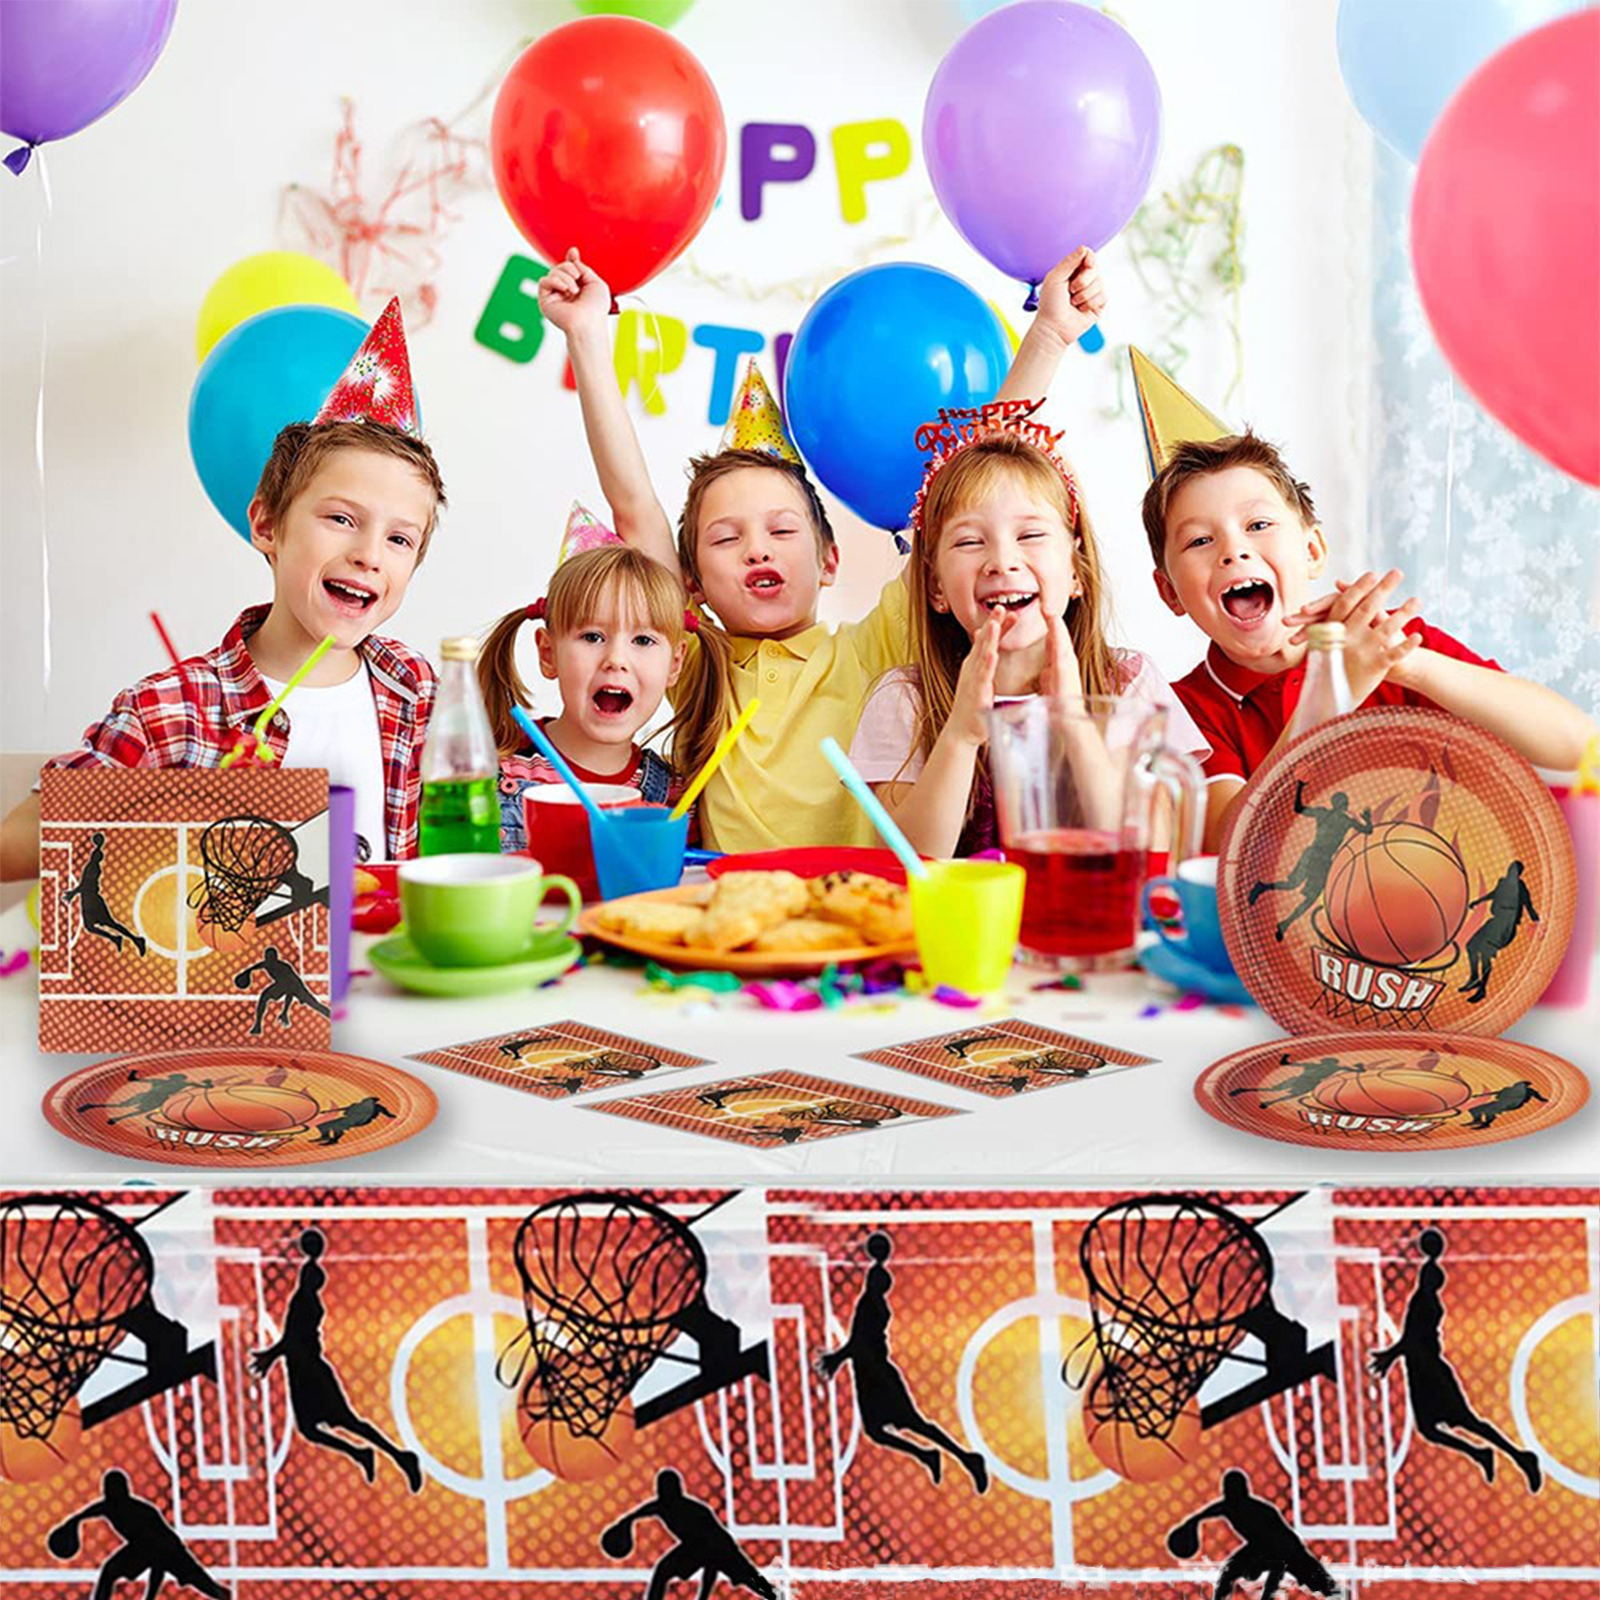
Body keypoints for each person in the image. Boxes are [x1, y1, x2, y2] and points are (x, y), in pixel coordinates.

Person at [537, 246, 1106, 851]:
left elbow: (965, 484)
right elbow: (634, 506)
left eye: (782, 531)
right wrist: (586, 335)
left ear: (829, 561)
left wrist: (1048, 336)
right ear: (691, 583)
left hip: (857, 901)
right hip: (731, 905)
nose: (757, 550)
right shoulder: (696, 665)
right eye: (726, 538)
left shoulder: (873, 651)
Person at [0, 300, 444, 879]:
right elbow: (12, 846)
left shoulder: (416, 689)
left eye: (399, 539)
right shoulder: (174, 709)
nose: (369, 554)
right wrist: (169, 816)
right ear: (267, 525)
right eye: (341, 518)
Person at [1134, 410, 1596, 851]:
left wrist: (1408, 664)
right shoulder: (1184, 709)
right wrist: (1332, 694)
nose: (1233, 551)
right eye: (1200, 540)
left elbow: (1578, 750)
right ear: (1170, 592)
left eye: (1258, 524)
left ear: (1313, 551)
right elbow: (1228, 847)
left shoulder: (1392, 642)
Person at [849, 400, 1206, 856]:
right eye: (969, 541)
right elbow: (911, 861)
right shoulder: (905, 700)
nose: (1002, 561)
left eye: (1031, 535)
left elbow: (1149, 848)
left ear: (1076, 572)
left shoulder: (1130, 685)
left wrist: (1073, 720)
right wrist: (961, 734)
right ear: (937, 587)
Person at [476, 539, 692, 851]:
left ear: (675, 664)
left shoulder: (678, 800)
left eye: (643, 640)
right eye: (592, 637)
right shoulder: (488, 772)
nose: (616, 659)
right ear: (548, 654)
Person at [251, 1228, 423, 1492]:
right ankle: (368, 1454)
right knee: (323, 1427)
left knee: (340, 1422)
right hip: (304, 1371)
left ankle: (393, 1456)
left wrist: (270, 1356)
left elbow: (291, 1339)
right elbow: (291, 1339)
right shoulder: (306, 1300)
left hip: (308, 1372)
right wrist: (271, 1356)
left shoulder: (302, 1302)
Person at [815, 1232, 988, 1492]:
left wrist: (837, 1358)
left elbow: (859, 1342)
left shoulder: (868, 1305)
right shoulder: (873, 1304)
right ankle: (933, 1455)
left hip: (876, 1375)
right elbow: (858, 1342)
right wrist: (838, 1358)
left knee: (907, 1424)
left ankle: (960, 1458)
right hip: (871, 1374)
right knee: (889, 1428)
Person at [1369, 1228, 1541, 1490]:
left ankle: (1515, 1456)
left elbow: (1411, 1339)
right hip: (1422, 1370)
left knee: (1461, 1422)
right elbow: (1410, 1339)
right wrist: (1391, 1356)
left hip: (1428, 1371)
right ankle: (1486, 1454)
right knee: (1439, 1427)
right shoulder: (1424, 1302)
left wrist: (1390, 1356)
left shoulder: (1423, 1303)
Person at [48, 1469, 231, 1600]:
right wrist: (72, 1523)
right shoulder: (111, 1506)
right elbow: (91, 1510)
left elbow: (158, 1565)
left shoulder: (143, 1514)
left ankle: (229, 1595)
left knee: (203, 1583)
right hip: (140, 1548)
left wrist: (149, 1597)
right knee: (109, 1570)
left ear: (125, 1492)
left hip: (169, 1550)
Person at [601, 1468, 776, 1600]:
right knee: (663, 1570)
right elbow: (644, 1510)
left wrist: (702, 1597)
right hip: (693, 1547)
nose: (664, 1496)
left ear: (678, 1491)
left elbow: (712, 1563)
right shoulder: (663, 1506)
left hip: (721, 1548)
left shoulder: (697, 1512)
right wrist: (625, 1522)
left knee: (751, 1579)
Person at [1167, 1469, 1339, 1600]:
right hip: (1259, 1546)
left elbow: (1278, 1559)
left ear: (1244, 1491)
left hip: (1287, 1549)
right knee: (1229, 1572)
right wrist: (1191, 1523)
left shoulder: (1261, 1511)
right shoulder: (1229, 1506)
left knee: (1323, 1585)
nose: (1232, 1496)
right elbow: (1208, 1511)